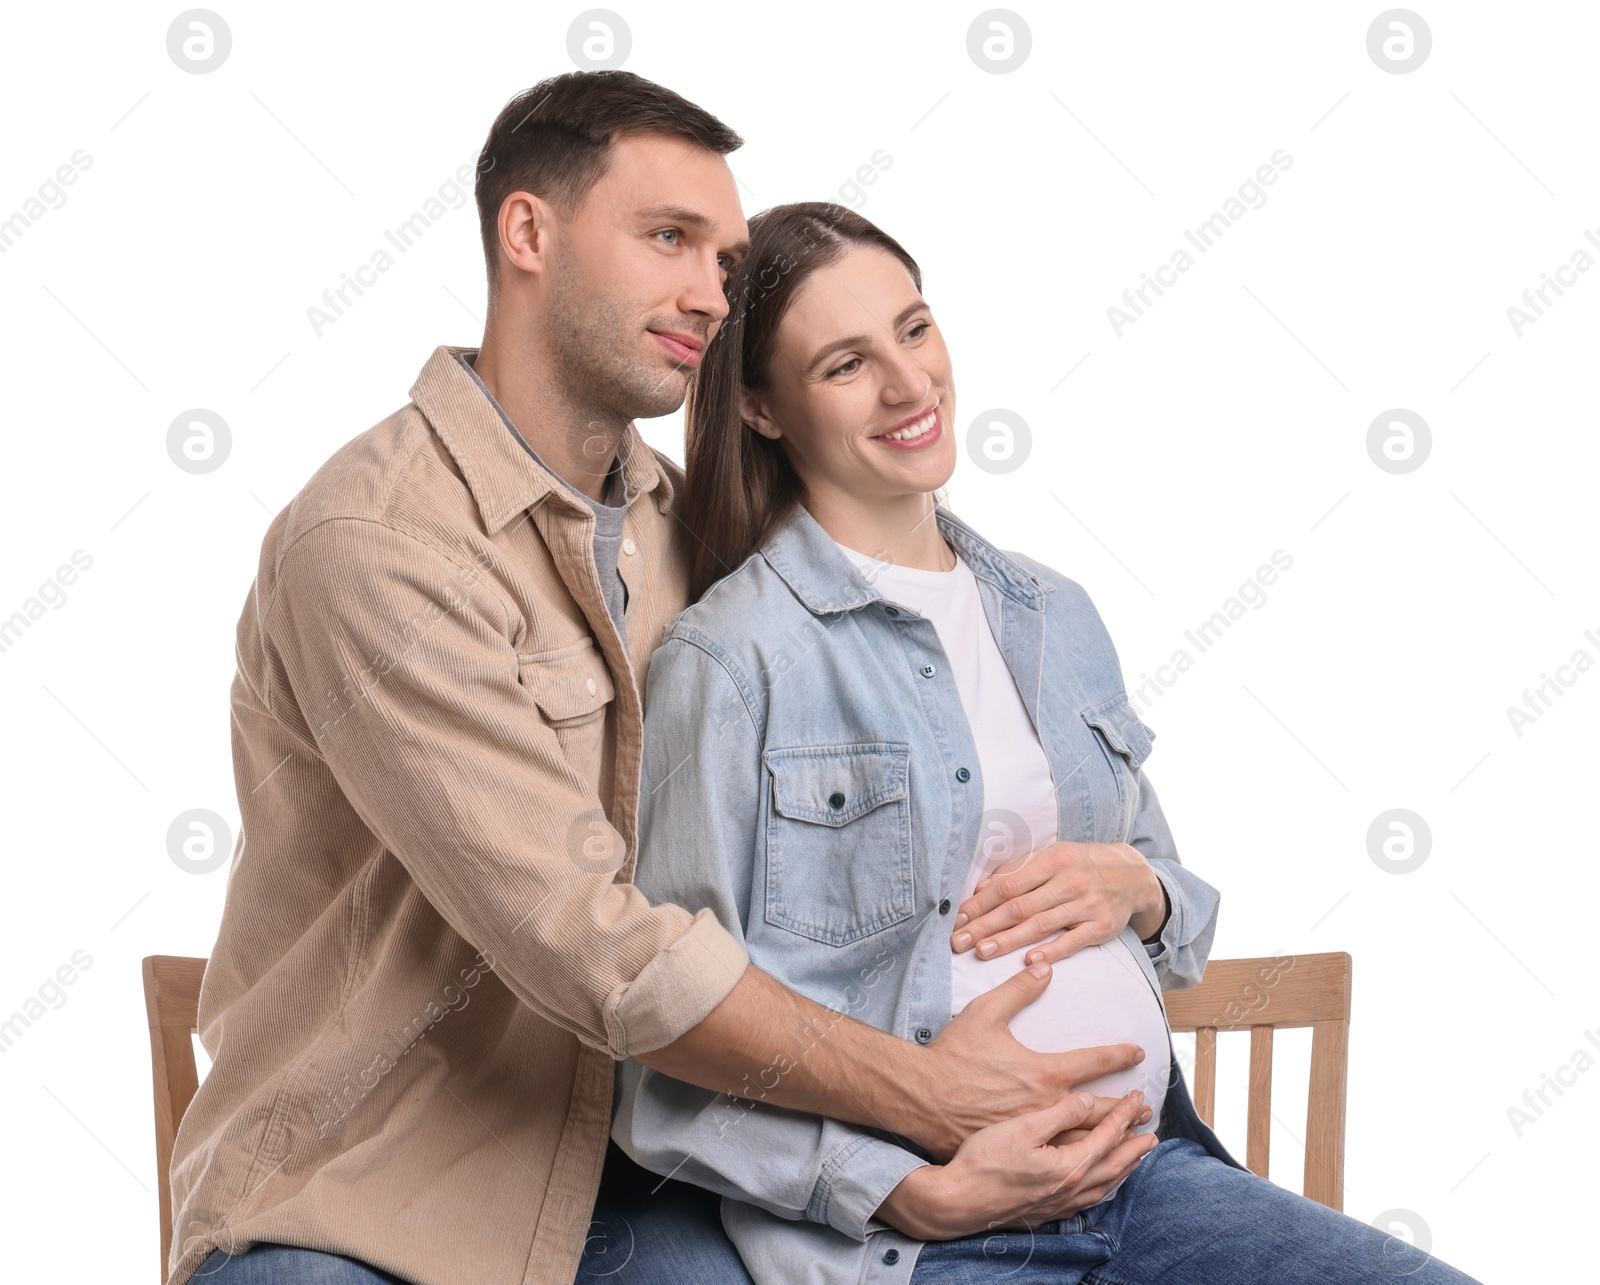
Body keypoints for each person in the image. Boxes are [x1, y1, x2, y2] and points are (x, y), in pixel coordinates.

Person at [169, 74, 1157, 1285]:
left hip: (644, 1180)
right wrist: (929, 1101)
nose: (708, 293)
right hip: (369, 1201)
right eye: (668, 239)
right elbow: (595, 948)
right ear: (525, 233)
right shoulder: (376, 543)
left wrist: (1136, 886)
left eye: (725, 258)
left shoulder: (693, 540)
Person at [611, 202, 1483, 1284]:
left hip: (1140, 1178)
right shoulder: (730, 658)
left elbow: (1172, 908)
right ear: (761, 406)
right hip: (912, 1233)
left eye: (915, 329)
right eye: (846, 364)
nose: (908, 385)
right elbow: (673, 1043)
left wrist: (1137, 886)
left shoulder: (1050, 612)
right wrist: (905, 1188)